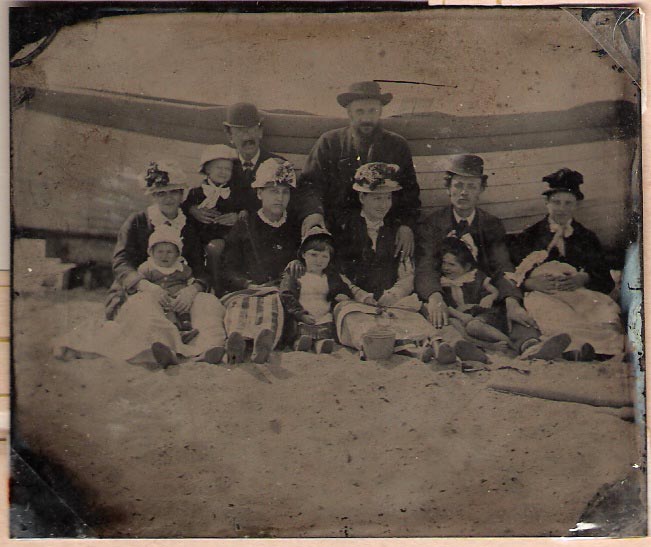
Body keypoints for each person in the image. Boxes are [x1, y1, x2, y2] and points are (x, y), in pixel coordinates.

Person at [56, 162, 228, 367]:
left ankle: (208, 347)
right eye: (161, 193)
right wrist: (144, 285)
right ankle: (163, 348)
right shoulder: (137, 221)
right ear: (153, 195)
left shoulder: (189, 226)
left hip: (178, 290)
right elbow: (121, 262)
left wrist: (193, 289)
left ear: (182, 195)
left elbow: (200, 266)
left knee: (207, 302)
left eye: (174, 192)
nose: (168, 198)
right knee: (145, 307)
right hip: (139, 290)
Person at [415, 154, 571, 360]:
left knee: (512, 309)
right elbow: (426, 265)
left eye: (471, 187)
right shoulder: (433, 224)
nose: (464, 193)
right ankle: (460, 348)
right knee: (437, 317)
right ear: (448, 188)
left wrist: (511, 300)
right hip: (447, 296)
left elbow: (502, 265)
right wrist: (434, 297)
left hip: (483, 296)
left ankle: (530, 345)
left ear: (481, 190)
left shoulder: (491, 224)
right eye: (458, 185)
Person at [333, 162, 486, 364]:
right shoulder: (346, 229)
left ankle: (444, 344)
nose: (383, 204)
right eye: (377, 198)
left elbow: (407, 272)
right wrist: (361, 295)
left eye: (387, 198)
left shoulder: (397, 230)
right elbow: (338, 271)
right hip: (358, 301)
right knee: (353, 319)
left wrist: (394, 293)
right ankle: (408, 348)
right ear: (362, 197)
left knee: (416, 313)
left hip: (392, 299)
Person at [294, 81, 421, 258]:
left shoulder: (397, 145)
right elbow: (309, 185)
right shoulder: (330, 142)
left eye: (372, 111)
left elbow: (410, 192)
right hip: (338, 228)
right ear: (349, 113)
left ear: (381, 112)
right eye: (360, 111)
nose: (366, 118)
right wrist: (313, 214)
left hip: (383, 229)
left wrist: (406, 225)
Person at [510, 168, 623, 360]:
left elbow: (605, 279)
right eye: (556, 202)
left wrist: (584, 278)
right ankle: (575, 348)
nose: (561, 209)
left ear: (576, 205)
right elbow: (513, 274)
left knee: (604, 313)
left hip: (580, 294)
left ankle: (594, 349)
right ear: (546, 203)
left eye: (568, 203)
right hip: (545, 295)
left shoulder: (586, 237)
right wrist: (530, 283)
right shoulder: (529, 236)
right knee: (556, 317)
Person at [221, 158, 301, 364]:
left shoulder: (293, 225)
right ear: (259, 194)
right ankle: (236, 341)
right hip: (249, 287)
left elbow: (303, 257)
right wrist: (247, 284)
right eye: (273, 191)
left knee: (272, 308)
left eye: (285, 192)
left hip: (279, 291)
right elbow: (228, 266)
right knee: (241, 306)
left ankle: (262, 344)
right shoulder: (246, 224)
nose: (280, 198)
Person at [280, 227, 353, 354]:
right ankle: (300, 342)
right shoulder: (296, 274)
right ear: (303, 254)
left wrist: (342, 295)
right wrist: (301, 314)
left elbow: (342, 288)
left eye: (324, 256)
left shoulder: (330, 276)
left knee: (326, 327)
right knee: (299, 330)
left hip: (323, 316)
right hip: (301, 316)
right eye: (313, 255)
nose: (319, 261)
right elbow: (286, 294)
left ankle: (321, 344)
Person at [182, 144, 243, 294]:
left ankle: (218, 288)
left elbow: (244, 209)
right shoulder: (196, 192)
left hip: (223, 236)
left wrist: (236, 217)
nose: (223, 172)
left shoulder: (234, 194)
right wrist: (193, 210)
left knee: (216, 249)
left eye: (227, 169)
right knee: (191, 248)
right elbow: (184, 208)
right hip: (197, 234)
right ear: (207, 169)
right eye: (219, 168)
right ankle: (197, 283)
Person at [438, 237, 510, 346]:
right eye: (444, 263)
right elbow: (446, 306)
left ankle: (510, 344)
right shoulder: (444, 282)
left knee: (474, 327)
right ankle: (487, 346)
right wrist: (460, 316)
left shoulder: (475, 277)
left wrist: (489, 297)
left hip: (482, 313)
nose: (446, 268)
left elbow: (493, 291)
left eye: (452, 265)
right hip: (459, 316)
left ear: (467, 267)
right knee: (454, 326)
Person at [137, 226, 199, 344]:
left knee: (185, 313)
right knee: (165, 317)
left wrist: (190, 288)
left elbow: (191, 280)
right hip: (161, 300)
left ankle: (185, 331)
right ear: (152, 253)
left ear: (177, 254)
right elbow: (141, 282)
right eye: (160, 252)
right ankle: (171, 335)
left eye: (169, 252)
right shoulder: (148, 268)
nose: (164, 256)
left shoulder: (181, 269)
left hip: (179, 300)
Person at [222, 102, 285, 214]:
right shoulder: (223, 164)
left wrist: (243, 219)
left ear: (260, 132)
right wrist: (192, 208)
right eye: (240, 131)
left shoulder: (278, 165)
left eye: (252, 129)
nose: (247, 137)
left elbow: (285, 208)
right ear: (230, 135)